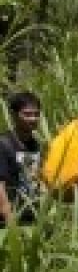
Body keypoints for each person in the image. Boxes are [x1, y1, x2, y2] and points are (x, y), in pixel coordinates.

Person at [0, 91, 43, 226]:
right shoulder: (4, 144)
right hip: (7, 219)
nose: (33, 119)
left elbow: (32, 179)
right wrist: (8, 216)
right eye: (27, 114)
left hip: (30, 216)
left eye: (36, 114)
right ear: (14, 115)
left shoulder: (35, 145)